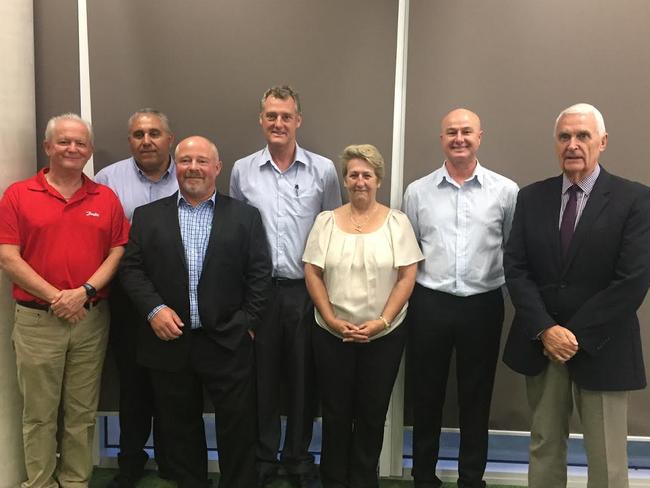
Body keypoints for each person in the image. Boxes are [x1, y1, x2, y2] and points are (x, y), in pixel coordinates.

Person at [503, 103, 650, 488]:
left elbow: (632, 280)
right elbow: (516, 269)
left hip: (603, 345)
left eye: (583, 136)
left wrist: (575, 336)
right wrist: (547, 330)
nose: (573, 144)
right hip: (542, 345)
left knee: (607, 458)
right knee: (545, 445)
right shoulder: (532, 198)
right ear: (556, 143)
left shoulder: (634, 200)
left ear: (602, 142)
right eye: (565, 136)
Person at [119, 136, 271, 488]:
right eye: (186, 160)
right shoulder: (147, 217)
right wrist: (154, 310)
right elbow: (131, 270)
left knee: (237, 428)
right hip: (169, 341)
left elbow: (260, 275)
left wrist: (247, 324)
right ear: (176, 166)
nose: (193, 168)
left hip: (228, 340)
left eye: (202, 161)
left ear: (217, 168)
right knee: (179, 430)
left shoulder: (245, 217)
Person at [0, 113, 129, 488]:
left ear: (89, 151)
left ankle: (75, 482)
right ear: (48, 147)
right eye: (64, 142)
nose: (73, 148)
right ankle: (39, 483)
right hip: (38, 321)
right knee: (39, 414)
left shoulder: (104, 198)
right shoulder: (18, 195)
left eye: (80, 143)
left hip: (90, 319)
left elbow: (118, 251)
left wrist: (84, 293)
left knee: (81, 413)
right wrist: (58, 297)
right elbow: (8, 257)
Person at [230, 85, 341, 487]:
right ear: (261, 120)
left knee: (302, 378)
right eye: (271, 116)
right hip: (259, 291)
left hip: (305, 289)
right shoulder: (243, 170)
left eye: (286, 116)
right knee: (259, 378)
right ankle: (262, 458)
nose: (279, 123)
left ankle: (296, 458)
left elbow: (332, 232)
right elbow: (236, 235)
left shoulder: (323, 170)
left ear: (298, 121)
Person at [403, 108, 519, 488]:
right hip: (430, 303)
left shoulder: (505, 191)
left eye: (466, 131)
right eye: (451, 132)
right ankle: (423, 476)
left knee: (477, 395)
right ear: (442, 139)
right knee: (425, 395)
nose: (459, 138)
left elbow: (512, 249)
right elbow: (410, 251)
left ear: (480, 136)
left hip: (483, 305)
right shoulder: (418, 192)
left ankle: (472, 478)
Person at [303, 144, 423, 488]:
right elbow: (312, 272)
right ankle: (333, 480)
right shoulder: (325, 222)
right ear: (344, 179)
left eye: (366, 175)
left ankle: (363, 481)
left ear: (378, 180)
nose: (360, 181)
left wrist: (382, 321)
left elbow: (407, 275)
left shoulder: (397, 222)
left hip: (383, 336)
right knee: (336, 413)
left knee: (371, 414)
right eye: (353, 174)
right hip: (331, 333)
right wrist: (330, 318)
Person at [94, 108, 178, 487]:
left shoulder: (190, 173)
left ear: (169, 139)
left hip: (179, 297)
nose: (147, 140)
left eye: (154, 133)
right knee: (132, 382)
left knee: (174, 385)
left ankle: (174, 463)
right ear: (130, 140)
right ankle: (129, 464)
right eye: (139, 134)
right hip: (128, 298)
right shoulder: (108, 180)